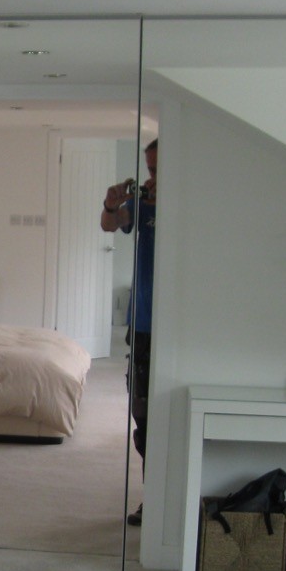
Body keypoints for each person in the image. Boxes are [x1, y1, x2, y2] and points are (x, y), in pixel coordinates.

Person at [100, 139, 157, 526]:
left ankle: (164, 501)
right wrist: (111, 203)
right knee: (143, 418)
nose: (152, 177)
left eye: (158, 170)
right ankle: (151, 499)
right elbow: (109, 224)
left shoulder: (185, 201)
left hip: (174, 327)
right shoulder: (141, 204)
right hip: (141, 324)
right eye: (149, 170)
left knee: (167, 418)